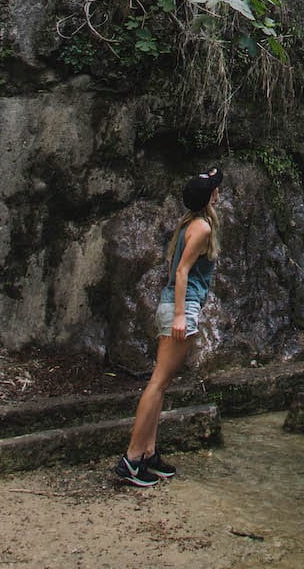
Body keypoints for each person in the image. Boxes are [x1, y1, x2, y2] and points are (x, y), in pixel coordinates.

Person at [115, 167, 222, 487]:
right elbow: (182, 273)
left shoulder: (191, 223)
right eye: (215, 189)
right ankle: (132, 459)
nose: (219, 192)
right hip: (181, 307)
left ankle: (148, 454)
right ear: (209, 198)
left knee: (161, 384)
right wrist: (179, 316)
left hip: (177, 305)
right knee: (158, 383)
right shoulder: (201, 227)